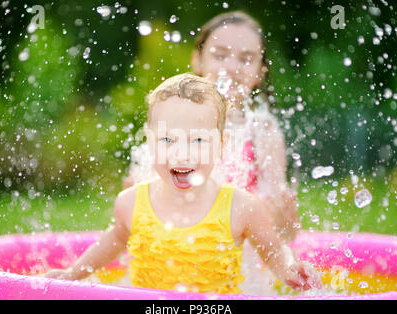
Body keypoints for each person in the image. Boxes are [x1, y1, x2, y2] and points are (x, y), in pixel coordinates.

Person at [45, 74, 321, 294]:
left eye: (198, 140)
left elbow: (272, 249)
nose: (182, 153)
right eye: (167, 140)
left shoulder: (241, 207)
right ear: (150, 141)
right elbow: (115, 239)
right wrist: (73, 273)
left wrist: (289, 269)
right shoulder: (130, 202)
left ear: (221, 145)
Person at [123, 11, 298, 244]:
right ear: (197, 60)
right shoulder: (172, 118)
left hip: (236, 262)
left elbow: (283, 232)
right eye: (220, 55)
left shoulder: (262, 132)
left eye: (246, 59)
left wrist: (284, 220)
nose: (232, 66)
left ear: (260, 72)